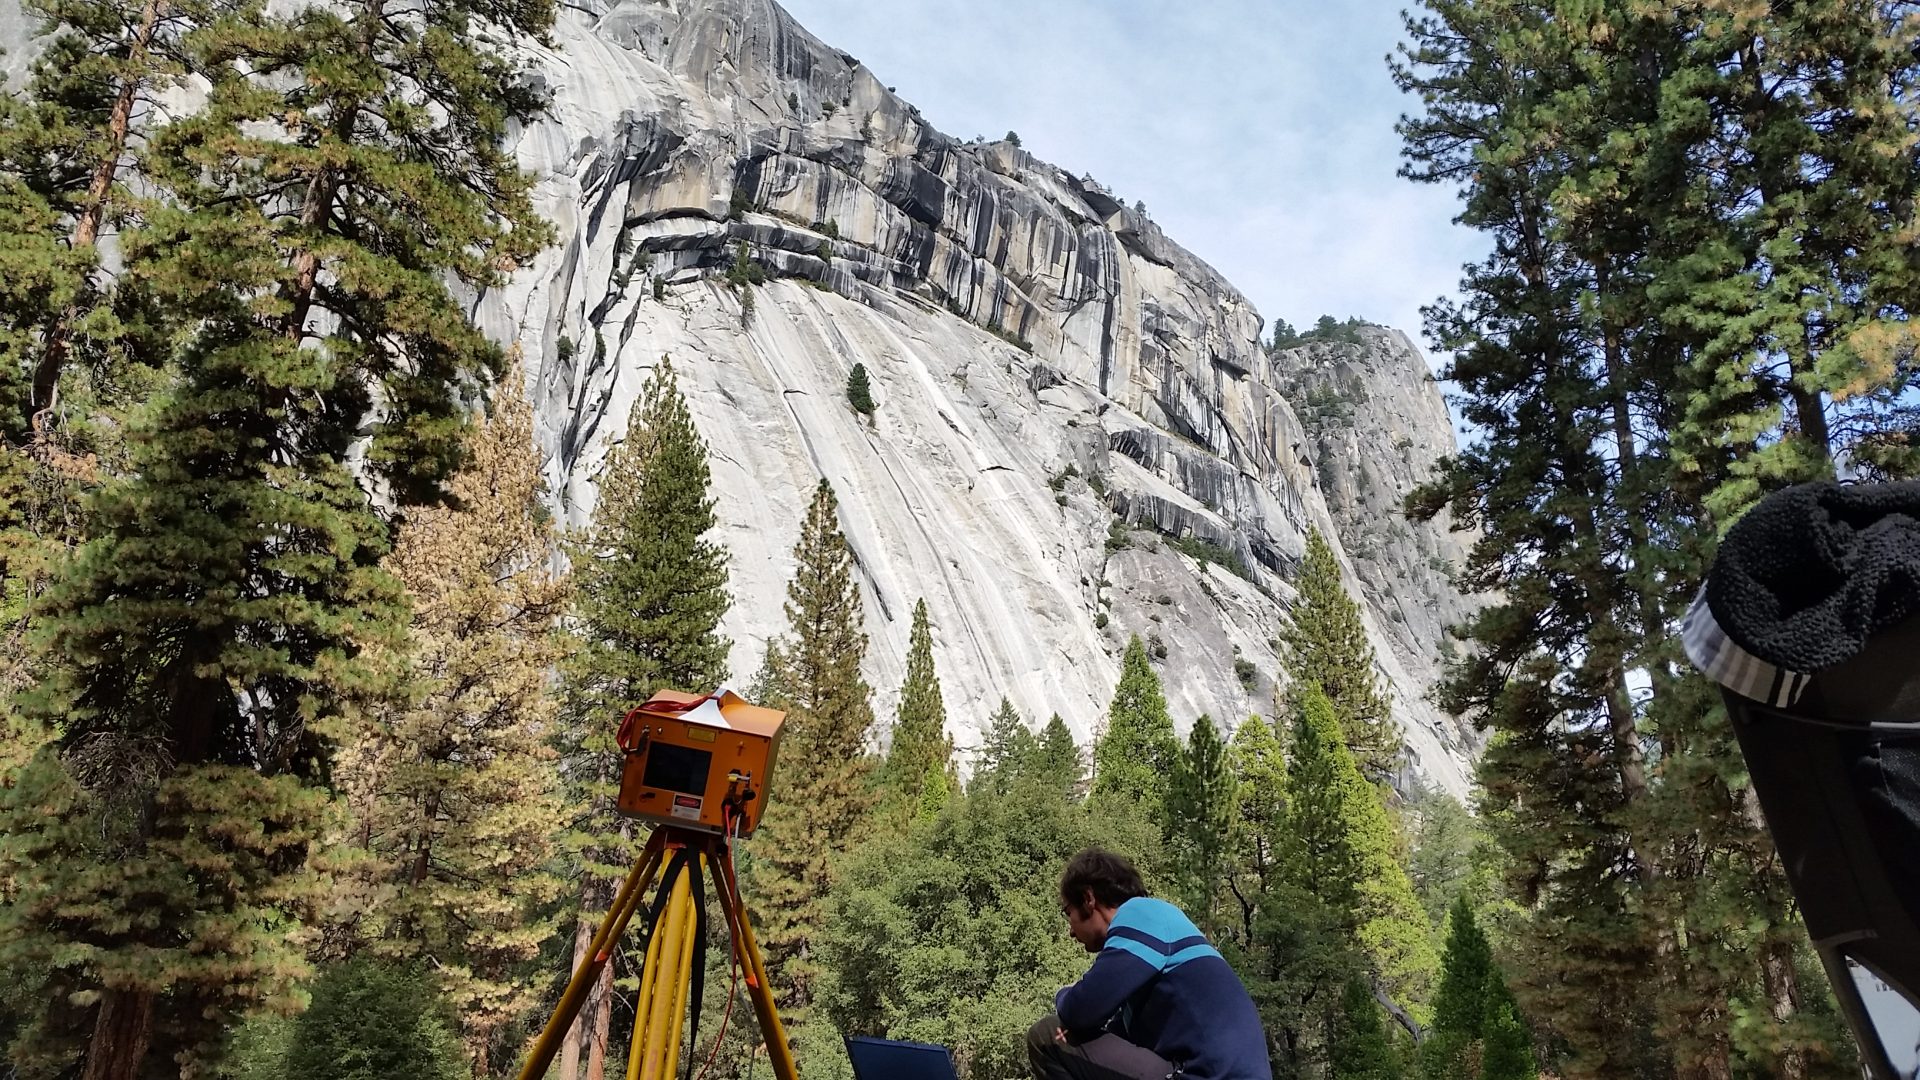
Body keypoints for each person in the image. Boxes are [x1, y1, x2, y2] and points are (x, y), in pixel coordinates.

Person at [1027, 848, 1270, 1080]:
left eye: (1068, 912)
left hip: (1205, 1074)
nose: (1070, 931)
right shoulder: (1157, 936)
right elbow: (1110, 1044)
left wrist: (1064, 994)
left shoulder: (1140, 914)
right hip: (1210, 1071)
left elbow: (1080, 1012)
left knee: (1048, 1035)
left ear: (1088, 898)